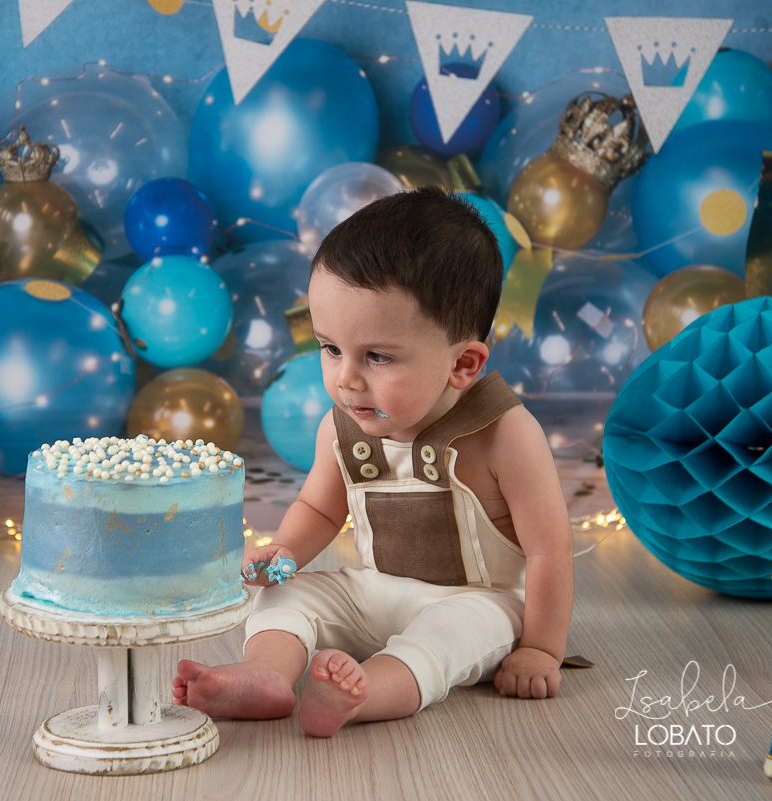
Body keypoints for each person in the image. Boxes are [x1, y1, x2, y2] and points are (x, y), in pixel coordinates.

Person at [173, 185, 574, 738]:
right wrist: (286, 552)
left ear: (463, 363)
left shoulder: (504, 433)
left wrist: (543, 650)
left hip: (479, 602)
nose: (345, 379)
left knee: (448, 635)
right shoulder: (342, 428)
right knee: (289, 593)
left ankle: (361, 696)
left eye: (377, 357)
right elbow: (318, 508)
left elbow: (548, 551)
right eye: (330, 348)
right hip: (374, 591)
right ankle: (267, 674)